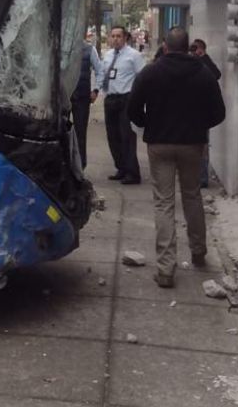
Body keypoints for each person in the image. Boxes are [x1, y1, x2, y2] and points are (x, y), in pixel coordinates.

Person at [128, 26, 226, 288]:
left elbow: (133, 108)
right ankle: (198, 252)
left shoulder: (151, 72)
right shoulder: (203, 73)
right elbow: (219, 113)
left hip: (160, 144)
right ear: (188, 47)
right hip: (192, 145)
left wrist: (149, 124)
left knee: (164, 203)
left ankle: (165, 269)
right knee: (192, 195)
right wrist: (197, 125)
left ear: (166, 46)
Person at [93, 26, 146, 184]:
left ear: (125, 38)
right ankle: (121, 168)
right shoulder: (108, 55)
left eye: (118, 36)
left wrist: (139, 99)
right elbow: (102, 73)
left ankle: (132, 172)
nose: (115, 39)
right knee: (113, 136)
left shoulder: (134, 56)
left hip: (126, 99)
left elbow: (141, 77)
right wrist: (96, 89)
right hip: (110, 98)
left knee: (127, 136)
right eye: (113, 36)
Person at [190, 38, 221, 188]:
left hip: (201, 112)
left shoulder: (205, 64)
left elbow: (216, 74)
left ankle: (202, 178)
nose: (195, 51)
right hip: (187, 111)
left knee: (202, 146)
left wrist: (204, 57)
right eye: (194, 48)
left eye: (199, 49)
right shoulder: (187, 63)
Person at [70, 32, 97, 168]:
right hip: (64, 97)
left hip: (82, 96)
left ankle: (81, 164)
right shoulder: (63, 47)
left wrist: (95, 90)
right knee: (61, 130)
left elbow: (100, 70)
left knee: (80, 131)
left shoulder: (89, 49)